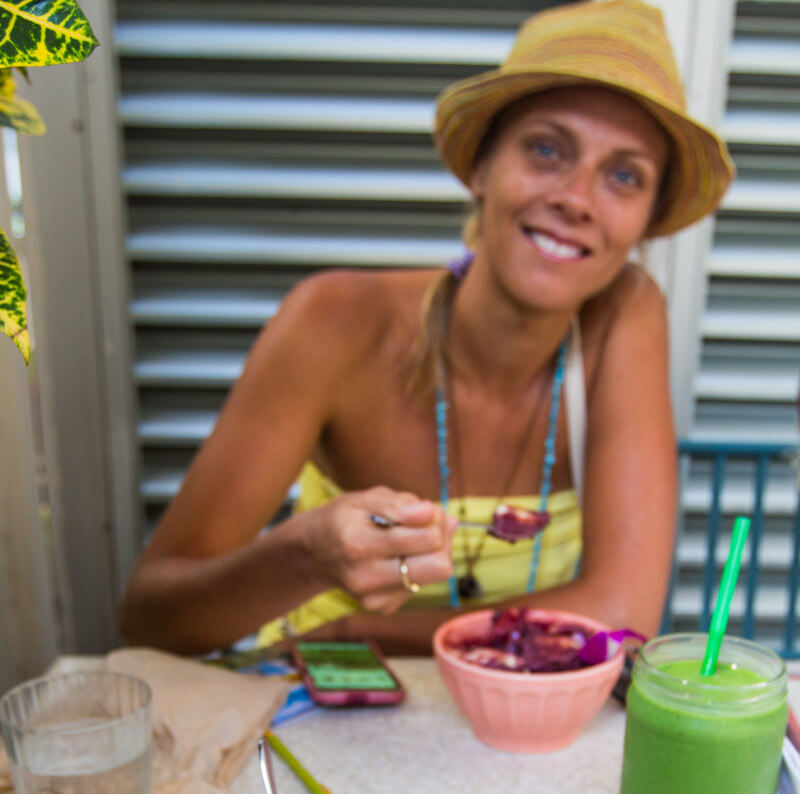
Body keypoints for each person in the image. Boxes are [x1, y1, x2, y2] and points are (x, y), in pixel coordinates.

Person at [118, 0, 734, 657]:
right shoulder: (335, 320)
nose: (576, 199)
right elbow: (153, 619)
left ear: (644, 221)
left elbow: (622, 616)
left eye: (623, 176)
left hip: (511, 731)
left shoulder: (624, 313)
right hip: (313, 711)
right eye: (547, 149)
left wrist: (360, 630)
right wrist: (301, 557)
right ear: (480, 168)